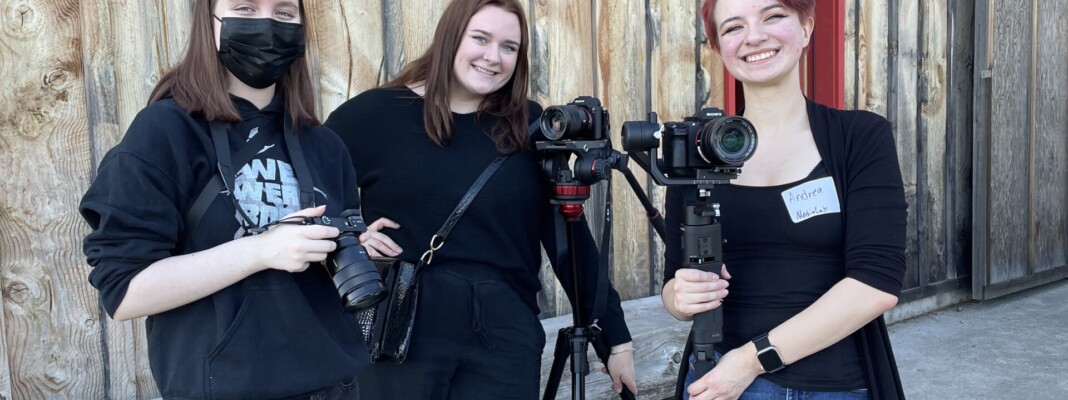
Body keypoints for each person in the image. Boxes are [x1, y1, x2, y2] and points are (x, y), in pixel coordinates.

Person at [323, 0, 637, 398]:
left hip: (503, 338)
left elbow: (567, 240)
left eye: (509, 47)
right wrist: (349, 239)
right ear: (451, 37)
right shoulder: (372, 116)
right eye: (481, 39)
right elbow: (309, 198)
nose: (493, 57)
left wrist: (617, 339)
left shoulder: (533, 125)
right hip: (403, 333)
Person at [79, 1, 390, 398]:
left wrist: (353, 251)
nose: (266, 24)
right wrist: (259, 251)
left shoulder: (325, 146)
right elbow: (125, 292)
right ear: (207, 22)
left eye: (283, 13)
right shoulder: (166, 133)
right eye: (245, 7)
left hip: (333, 386)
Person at [660, 0, 908, 399]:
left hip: (831, 388)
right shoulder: (696, 153)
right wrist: (682, 296)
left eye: (773, 16)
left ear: (807, 28)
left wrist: (749, 362)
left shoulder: (859, 137)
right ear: (718, 48)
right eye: (733, 27)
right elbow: (674, 287)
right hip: (717, 380)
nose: (755, 36)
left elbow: (875, 283)